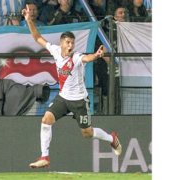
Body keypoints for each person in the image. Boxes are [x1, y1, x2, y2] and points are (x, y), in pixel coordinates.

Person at [22, 4, 122, 169]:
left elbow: (87, 58)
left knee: (87, 134)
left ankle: (112, 139)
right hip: (63, 98)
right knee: (46, 120)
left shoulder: (76, 57)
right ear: (61, 44)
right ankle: (45, 157)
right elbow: (37, 38)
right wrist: (29, 21)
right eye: (68, 42)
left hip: (79, 101)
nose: (70, 46)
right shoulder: (55, 50)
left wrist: (96, 55)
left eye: (73, 43)